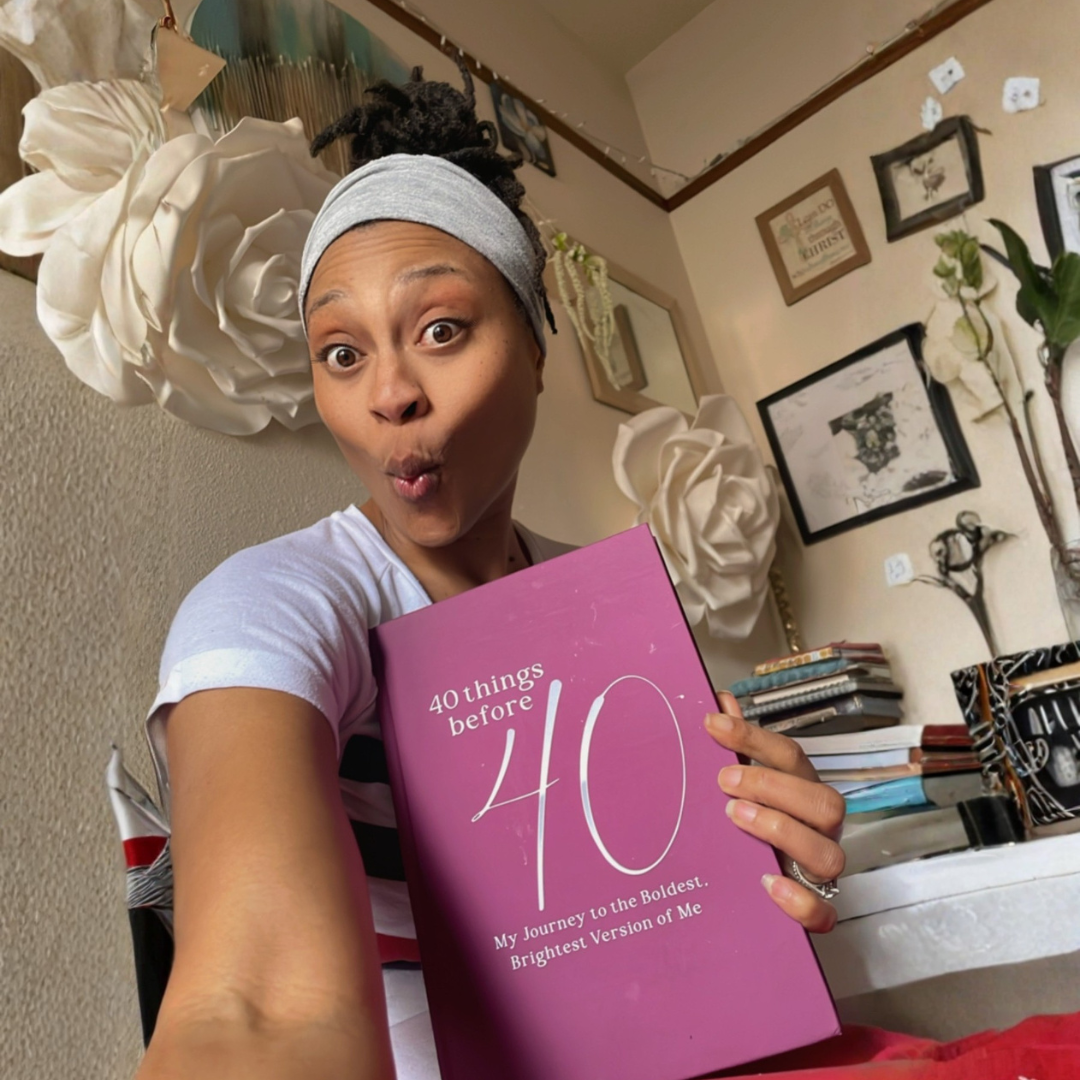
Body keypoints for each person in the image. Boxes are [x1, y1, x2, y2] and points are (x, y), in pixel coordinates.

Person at [133, 65, 845, 1080]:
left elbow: (661, 923)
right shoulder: (276, 608)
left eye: (440, 330)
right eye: (340, 352)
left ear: (537, 343)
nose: (389, 393)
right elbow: (253, 1009)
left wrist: (754, 879)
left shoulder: (608, 610)